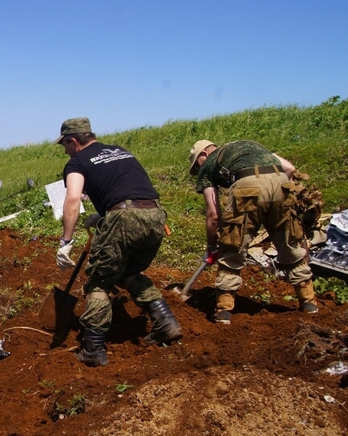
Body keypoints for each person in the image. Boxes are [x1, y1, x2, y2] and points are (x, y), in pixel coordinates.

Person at [56, 117, 182, 367]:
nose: (65, 150)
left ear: (74, 141)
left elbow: (72, 199)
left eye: (65, 145)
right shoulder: (120, 151)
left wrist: (66, 240)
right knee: (127, 272)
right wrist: (105, 215)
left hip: (124, 217)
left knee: (99, 281)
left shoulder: (77, 162)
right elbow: (128, 186)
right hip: (155, 215)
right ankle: (165, 322)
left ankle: (93, 348)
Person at [188, 139, 318, 325]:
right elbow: (289, 168)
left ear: (203, 154)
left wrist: (212, 246)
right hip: (281, 183)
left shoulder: (208, 164)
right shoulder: (247, 147)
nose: (198, 169)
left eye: (197, 165)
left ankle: (224, 310)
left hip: (248, 188)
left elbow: (213, 215)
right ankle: (309, 302)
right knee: (289, 243)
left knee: (233, 245)